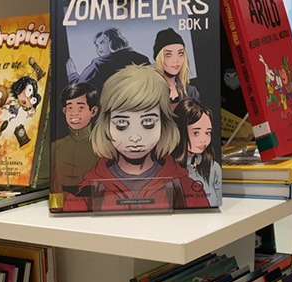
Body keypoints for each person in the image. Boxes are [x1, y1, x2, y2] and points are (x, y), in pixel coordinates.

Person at [63, 64, 209, 212]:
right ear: (106, 125)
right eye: (121, 123)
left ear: (164, 124)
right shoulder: (84, 194)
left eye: (148, 122)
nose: (135, 137)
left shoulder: (186, 189)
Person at [66, 28, 150, 93]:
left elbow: (79, 90)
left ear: (113, 41)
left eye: (102, 42)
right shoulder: (143, 59)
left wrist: (72, 75)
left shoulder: (99, 65)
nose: (99, 48)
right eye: (97, 45)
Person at [51, 82, 99, 195]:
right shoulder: (56, 147)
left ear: (93, 111)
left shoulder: (101, 147)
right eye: (70, 108)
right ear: (64, 111)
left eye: (80, 107)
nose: (74, 113)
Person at [174, 99, 222, 207]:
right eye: (196, 133)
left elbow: (217, 203)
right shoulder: (169, 169)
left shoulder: (213, 168)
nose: (203, 140)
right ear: (179, 131)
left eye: (207, 133)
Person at [153, 28, 199, 106]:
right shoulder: (150, 91)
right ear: (158, 58)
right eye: (168, 54)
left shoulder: (191, 92)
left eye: (180, 53)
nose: (176, 60)